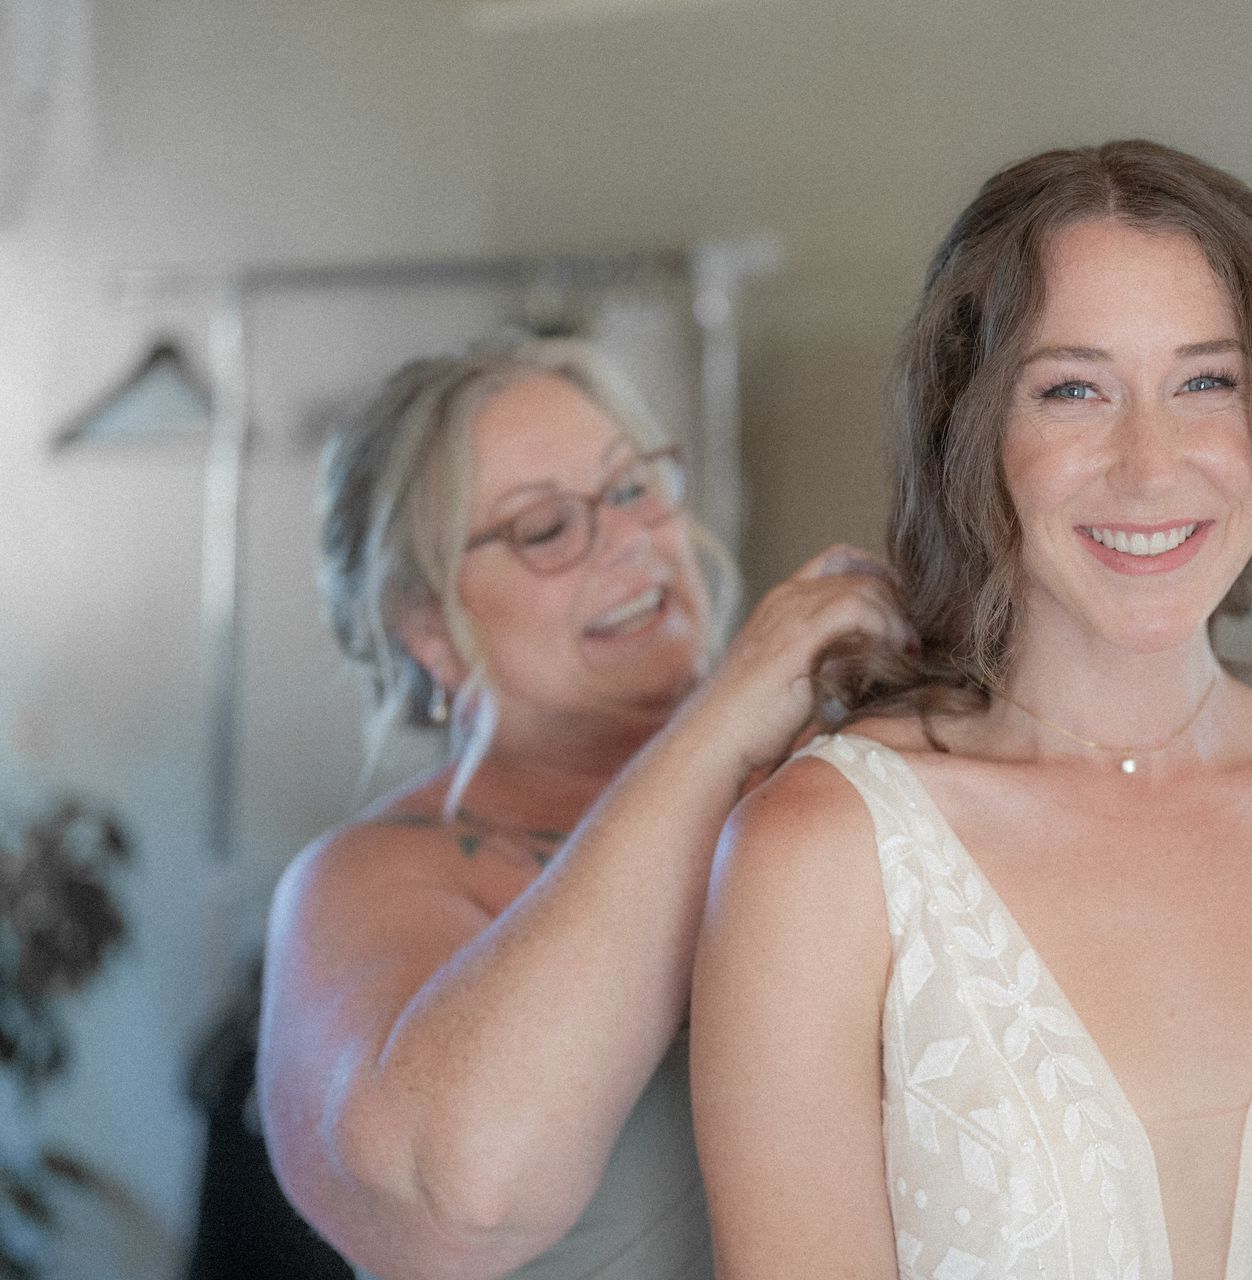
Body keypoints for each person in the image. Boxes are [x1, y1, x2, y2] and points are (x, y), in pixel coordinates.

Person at [691, 140, 1252, 1279]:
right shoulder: (821, 855)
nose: (1150, 462)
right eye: (1074, 388)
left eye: (1207, 381)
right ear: (972, 434)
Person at [259, 338, 908, 1280]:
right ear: (434, 631)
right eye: (545, 528)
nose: (628, 539)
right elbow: (463, 1197)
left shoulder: (830, 791)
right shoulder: (363, 880)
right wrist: (725, 714)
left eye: (631, 488)